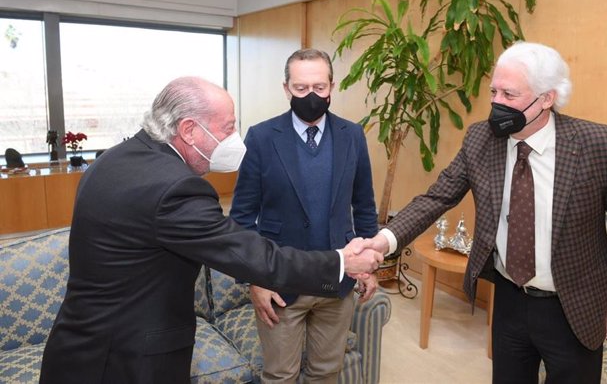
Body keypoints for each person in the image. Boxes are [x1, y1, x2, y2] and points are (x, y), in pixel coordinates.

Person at [38, 76, 382, 384]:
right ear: (189, 130)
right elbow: (251, 255)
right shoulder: (174, 188)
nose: (234, 139)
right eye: (227, 128)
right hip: (127, 360)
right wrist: (340, 263)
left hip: (78, 347)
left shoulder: (115, 159)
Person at [356, 42, 607, 383]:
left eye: (509, 95)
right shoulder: (481, 139)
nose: (497, 103)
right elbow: (437, 198)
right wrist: (382, 241)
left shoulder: (597, 144)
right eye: (494, 92)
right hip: (509, 299)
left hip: (573, 305)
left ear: (546, 99)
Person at [230, 48, 379, 384]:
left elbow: (364, 205)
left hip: (337, 281)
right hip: (281, 282)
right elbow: (241, 217)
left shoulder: (352, 135)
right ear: (286, 89)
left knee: (326, 372)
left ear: (331, 87)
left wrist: (371, 262)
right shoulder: (262, 137)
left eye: (319, 87)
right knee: (281, 375)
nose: (311, 95)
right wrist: (255, 278)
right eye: (301, 89)